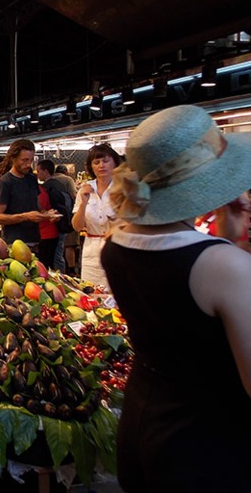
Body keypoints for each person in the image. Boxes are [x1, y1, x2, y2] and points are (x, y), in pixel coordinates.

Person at [100, 105, 251, 492]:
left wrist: (227, 241)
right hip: (208, 444)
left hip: (141, 425)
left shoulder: (115, 248)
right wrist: (234, 246)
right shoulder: (225, 265)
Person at [71, 143, 122, 289]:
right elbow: (77, 226)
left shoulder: (123, 188)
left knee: (117, 293)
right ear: (91, 166)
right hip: (91, 251)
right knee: (91, 294)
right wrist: (83, 203)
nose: (101, 165)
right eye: (96, 162)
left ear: (115, 163)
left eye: (106, 161)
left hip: (116, 249)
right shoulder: (85, 189)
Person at [0, 139, 53, 248]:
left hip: (35, 241)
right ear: (13, 158)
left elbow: (37, 207)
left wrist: (47, 214)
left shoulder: (32, 179)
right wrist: (25, 216)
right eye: (24, 160)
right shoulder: (5, 182)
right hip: (14, 244)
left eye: (30, 160)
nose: (28, 164)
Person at [36, 160, 75, 272]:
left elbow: (43, 208)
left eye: (39, 171)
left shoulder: (45, 188)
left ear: (46, 171)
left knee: (54, 258)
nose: (37, 174)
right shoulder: (60, 183)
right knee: (58, 254)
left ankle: (61, 279)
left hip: (52, 225)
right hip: (61, 223)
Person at [55, 164, 79, 274]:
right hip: (68, 217)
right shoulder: (68, 179)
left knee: (60, 247)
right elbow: (74, 195)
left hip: (54, 218)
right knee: (70, 244)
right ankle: (72, 269)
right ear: (66, 172)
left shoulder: (50, 179)